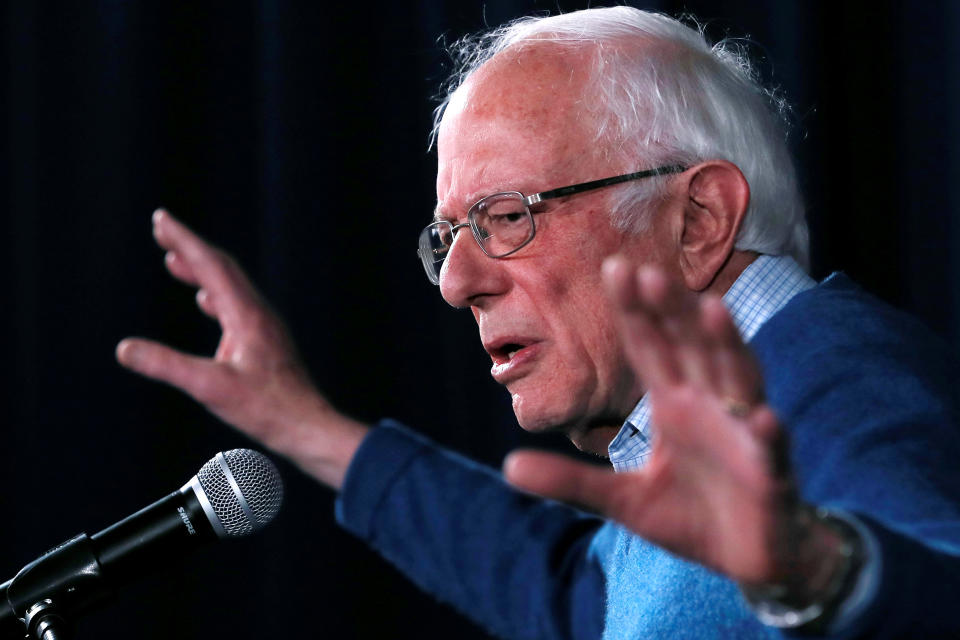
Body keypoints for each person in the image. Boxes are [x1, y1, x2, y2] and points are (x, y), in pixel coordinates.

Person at [116, 7, 960, 639]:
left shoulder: (841, 385)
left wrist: (818, 569)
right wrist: (300, 426)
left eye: (506, 216)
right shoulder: (686, 439)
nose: (455, 283)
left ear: (698, 218)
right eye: (447, 237)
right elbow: (575, 594)